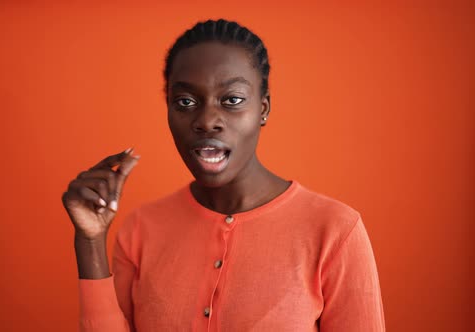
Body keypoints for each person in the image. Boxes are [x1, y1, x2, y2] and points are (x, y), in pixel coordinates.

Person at [62, 19, 385, 332]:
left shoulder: (335, 231)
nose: (206, 120)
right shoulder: (140, 231)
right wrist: (89, 242)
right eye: (185, 101)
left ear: (263, 109)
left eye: (231, 100)